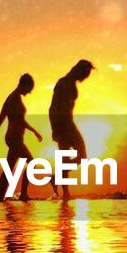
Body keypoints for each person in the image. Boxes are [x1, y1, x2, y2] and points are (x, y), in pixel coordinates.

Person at [0, 74, 43, 202]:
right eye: (29, 89)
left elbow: (0, 119)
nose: (29, 92)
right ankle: (23, 194)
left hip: (13, 138)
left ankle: (0, 197)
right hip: (15, 138)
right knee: (32, 163)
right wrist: (34, 131)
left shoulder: (10, 98)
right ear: (24, 84)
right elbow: (20, 120)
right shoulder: (14, 99)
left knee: (9, 168)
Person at [48, 59, 95, 201]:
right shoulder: (63, 83)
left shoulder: (71, 84)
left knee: (69, 159)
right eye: (85, 74)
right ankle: (64, 190)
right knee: (80, 156)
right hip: (64, 125)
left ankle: (64, 191)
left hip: (67, 124)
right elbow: (53, 108)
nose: (85, 77)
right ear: (78, 70)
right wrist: (55, 128)